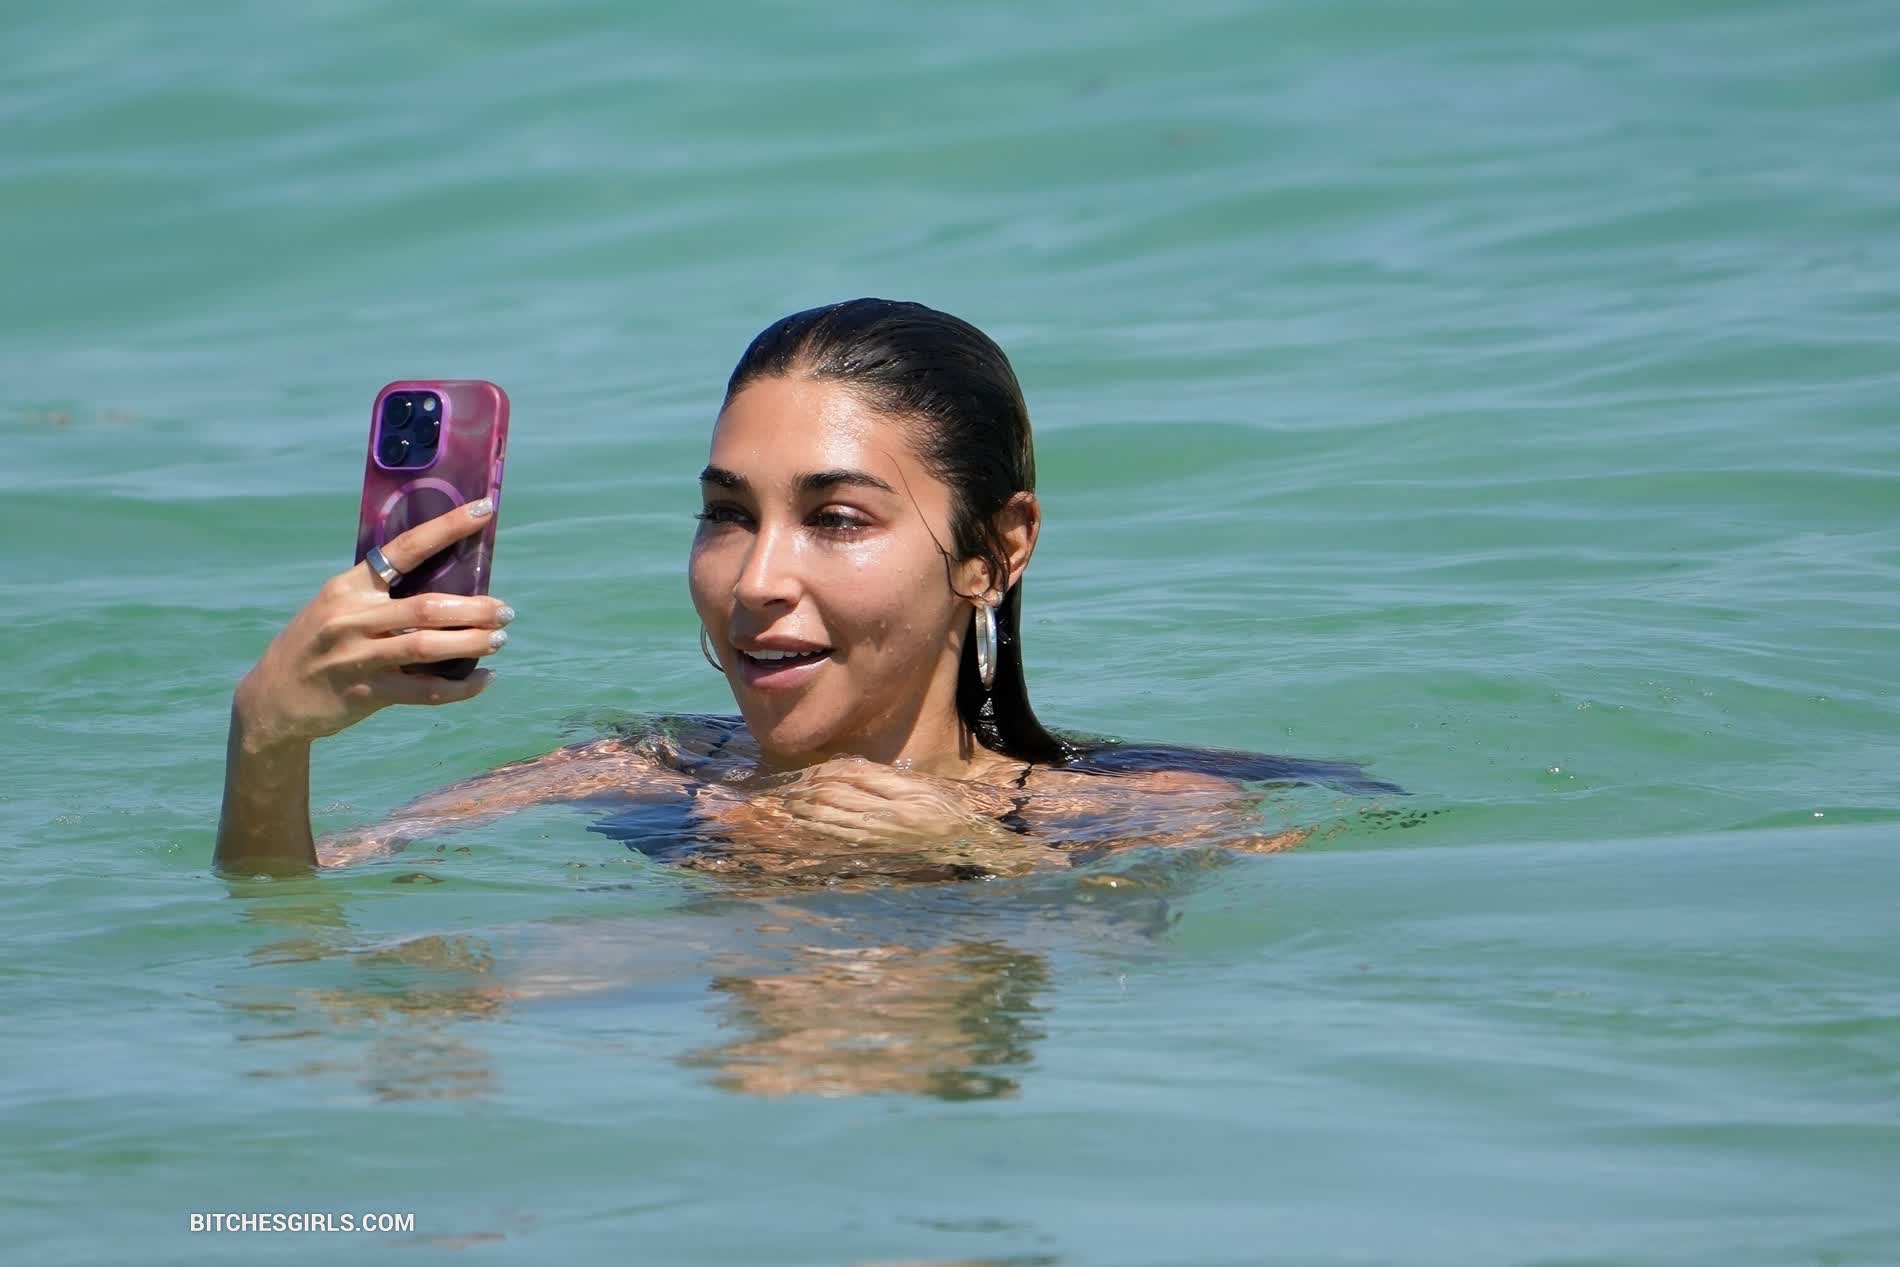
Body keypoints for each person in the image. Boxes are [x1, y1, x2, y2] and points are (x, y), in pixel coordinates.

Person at [215, 299, 1389, 879]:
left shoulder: (1135, 815)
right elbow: (292, 903)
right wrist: (268, 738)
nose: (757, 578)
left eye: (836, 519)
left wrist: (984, 854)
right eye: (728, 515)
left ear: (995, 549)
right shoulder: (639, 775)